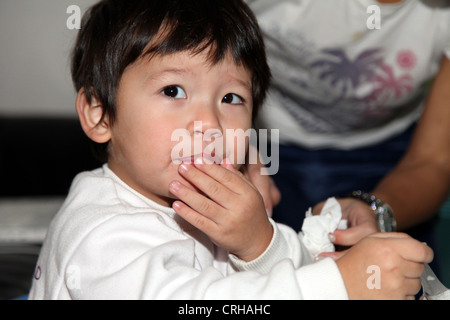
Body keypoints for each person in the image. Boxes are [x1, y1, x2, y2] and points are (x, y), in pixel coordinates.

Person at [28, 0, 433, 300]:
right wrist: (336, 287)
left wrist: (261, 244)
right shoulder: (101, 236)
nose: (209, 124)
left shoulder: (217, 199)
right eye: (173, 91)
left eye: (231, 98)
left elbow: (272, 281)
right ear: (100, 115)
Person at [245, 0, 450, 266]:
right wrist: (235, 142)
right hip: (261, 139)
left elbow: (434, 160)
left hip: (391, 155)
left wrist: (375, 212)